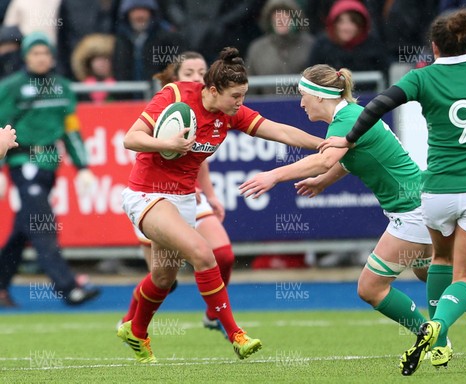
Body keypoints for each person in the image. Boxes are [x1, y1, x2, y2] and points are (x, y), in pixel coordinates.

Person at [318, 9, 466, 376]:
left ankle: (438, 339)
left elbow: (377, 104)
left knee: (441, 261)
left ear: (434, 46)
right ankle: (441, 325)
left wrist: (349, 137)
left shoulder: (423, 76)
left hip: (437, 191)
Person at [118, 47, 323, 363]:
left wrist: (322, 144)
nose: (240, 103)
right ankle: (235, 334)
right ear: (212, 90)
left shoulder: (230, 113)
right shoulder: (174, 94)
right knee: (203, 253)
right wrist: (167, 144)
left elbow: (278, 130)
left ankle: (136, 331)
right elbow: (131, 138)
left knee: (162, 278)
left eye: (243, 95)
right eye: (236, 96)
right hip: (147, 193)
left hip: (185, 198)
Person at [240, 63, 433, 344]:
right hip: (417, 201)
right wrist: (323, 182)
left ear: (319, 96)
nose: (301, 102)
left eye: (303, 95)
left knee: (370, 288)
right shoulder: (349, 116)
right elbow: (348, 159)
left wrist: (274, 175)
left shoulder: (345, 119)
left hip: (411, 208)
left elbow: (324, 159)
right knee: (428, 272)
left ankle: (429, 334)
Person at [120, 51, 235, 337]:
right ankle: (131, 322)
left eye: (201, 72)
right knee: (164, 280)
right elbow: (133, 140)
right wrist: (163, 143)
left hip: (190, 195)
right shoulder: (172, 102)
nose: (197, 78)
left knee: (223, 254)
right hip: (153, 195)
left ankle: (215, 316)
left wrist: (211, 195)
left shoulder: (216, 108)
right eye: (189, 74)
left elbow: (201, 161)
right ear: (176, 79)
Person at [0, 32, 100, 308]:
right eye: (35, 53)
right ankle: (68, 287)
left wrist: (83, 167)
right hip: (23, 164)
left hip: (49, 165)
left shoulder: (63, 88)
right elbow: (1, 128)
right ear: (25, 57)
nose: (41, 58)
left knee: (23, 230)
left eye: (45, 53)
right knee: (43, 226)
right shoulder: (11, 87)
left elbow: (71, 130)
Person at [307, 0, 389, 89]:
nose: (346, 27)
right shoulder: (321, 46)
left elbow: (385, 77)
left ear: (360, 24)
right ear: (333, 24)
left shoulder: (374, 46)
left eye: (352, 22)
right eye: (341, 22)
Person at [246, 0, 314, 95]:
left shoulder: (310, 45)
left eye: (286, 14)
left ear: (294, 18)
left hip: (303, 107)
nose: (281, 19)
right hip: (267, 107)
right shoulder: (257, 49)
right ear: (270, 20)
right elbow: (250, 90)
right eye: (277, 15)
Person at [71, 34, 116, 103]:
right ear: (88, 62)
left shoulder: (118, 88)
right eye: (98, 59)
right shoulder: (81, 90)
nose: (102, 63)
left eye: (106, 58)